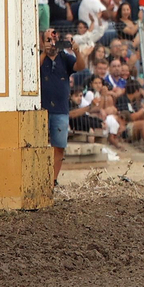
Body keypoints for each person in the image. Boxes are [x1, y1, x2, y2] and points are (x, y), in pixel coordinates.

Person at [39, 26, 81, 180]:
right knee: (38, 146)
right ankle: (40, 177)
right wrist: (44, 52)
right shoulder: (39, 57)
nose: (51, 42)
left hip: (60, 110)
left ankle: (53, 180)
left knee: (59, 147)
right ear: (43, 42)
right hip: (42, 110)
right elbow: (32, 69)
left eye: (54, 39)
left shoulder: (64, 57)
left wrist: (77, 51)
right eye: (48, 40)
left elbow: (80, 66)